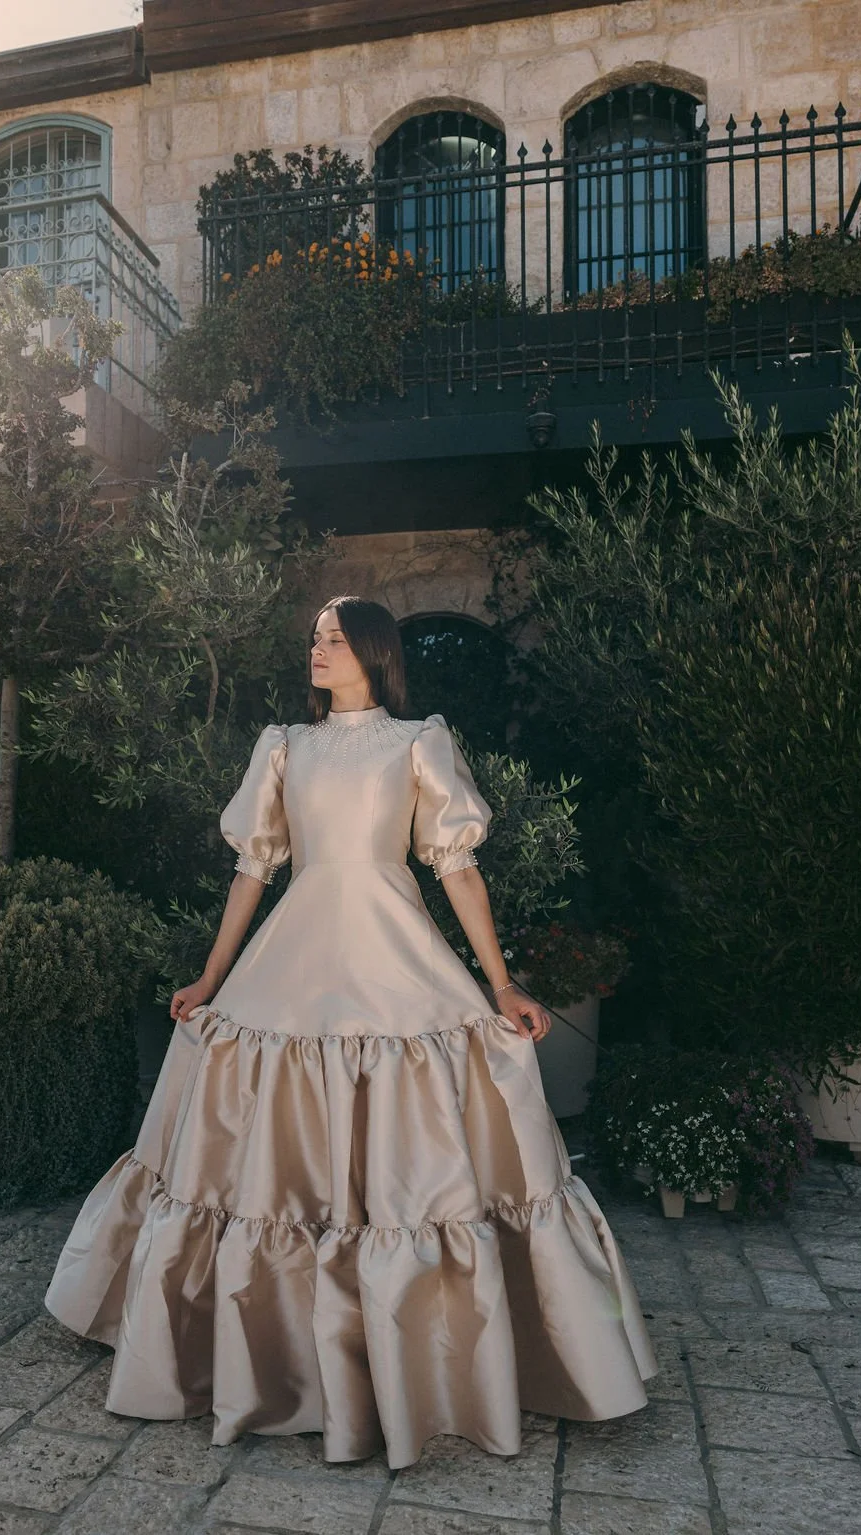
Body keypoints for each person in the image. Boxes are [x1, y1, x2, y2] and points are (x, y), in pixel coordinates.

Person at [44, 594, 657, 1469]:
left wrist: (502, 982)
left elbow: (458, 870)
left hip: (394, 954)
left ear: (373, 651)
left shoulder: (418, 741)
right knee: (262, 1150)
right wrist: (212, 977)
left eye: (334, 638)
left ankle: (430, 1353)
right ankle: (277, 1359)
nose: (318, 649)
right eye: (314, 638)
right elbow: (253, 870)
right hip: (294, 958)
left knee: (418, 1150)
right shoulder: (282, 746)